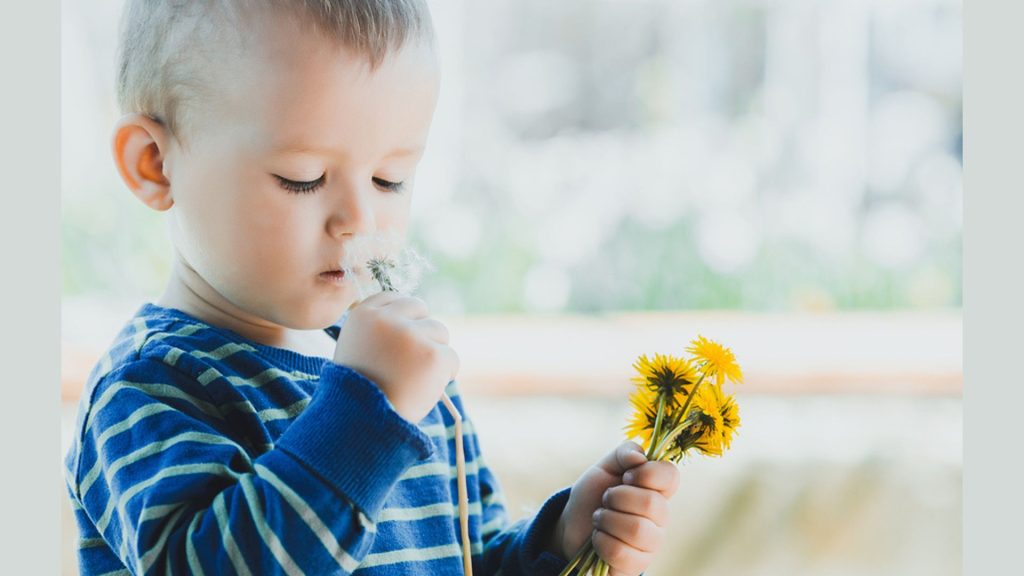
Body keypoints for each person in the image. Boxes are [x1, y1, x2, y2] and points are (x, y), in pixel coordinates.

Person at [63, 1, 680, 574]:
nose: (359, 219)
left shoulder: (398, 369)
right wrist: (363, 416)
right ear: (154, 163)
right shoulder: (149, 389)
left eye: (390, 179)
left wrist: (556, 543)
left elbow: (466, 554)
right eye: (302, 178)